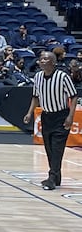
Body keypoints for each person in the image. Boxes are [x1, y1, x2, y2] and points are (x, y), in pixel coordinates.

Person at [23, 51, 78, 191]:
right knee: (49, 148)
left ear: (53, 62)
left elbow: (74, 96)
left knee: (57, 148)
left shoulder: (63, 76)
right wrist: (29, 113)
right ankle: (56, 177)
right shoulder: (38, 77)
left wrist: (71, 116)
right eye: (41, 59)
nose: (42, 61)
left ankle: (51, 178)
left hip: (61, 116)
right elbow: (35, 97)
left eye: (46, 59)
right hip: (46, 116)